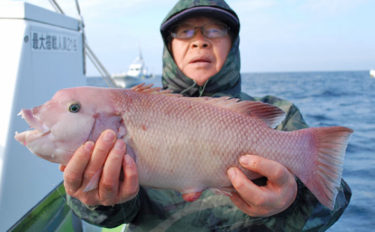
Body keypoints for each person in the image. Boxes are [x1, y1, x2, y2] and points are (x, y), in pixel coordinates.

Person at [62, 0, 351, 231]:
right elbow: (113, 217)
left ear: (233, 42)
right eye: (185, 31)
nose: (199, 41)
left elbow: (333, 201)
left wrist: (290, 201)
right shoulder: (132, 113)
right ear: (169, 46)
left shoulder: (282, 117)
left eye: (214, 30)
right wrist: (97, 199)